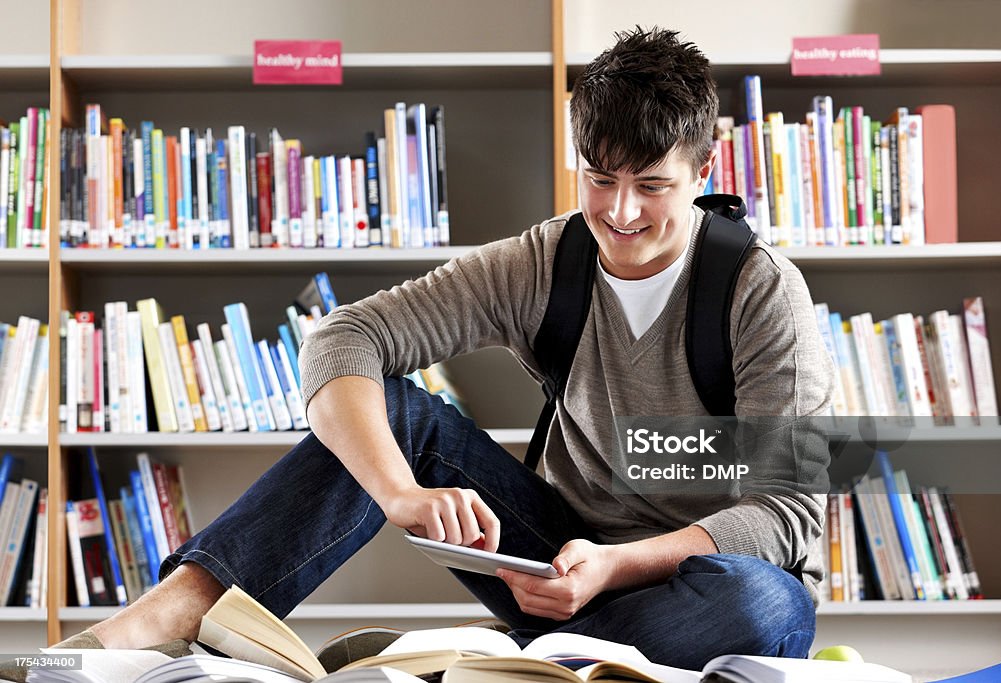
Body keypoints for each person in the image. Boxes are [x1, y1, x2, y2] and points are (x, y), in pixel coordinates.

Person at [63, 26, 832, 671]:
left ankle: (492, 661)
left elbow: (788, 509)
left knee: (759, 603)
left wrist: (617, 564)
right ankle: (160, 625)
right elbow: (346, 337)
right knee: (396, 412)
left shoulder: (759, 290)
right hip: (557, 558)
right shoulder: (543, 263)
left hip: (701, 580)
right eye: (600, 179)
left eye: (652, 186)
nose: (621, 211)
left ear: (704, 170)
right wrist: (400, 492)